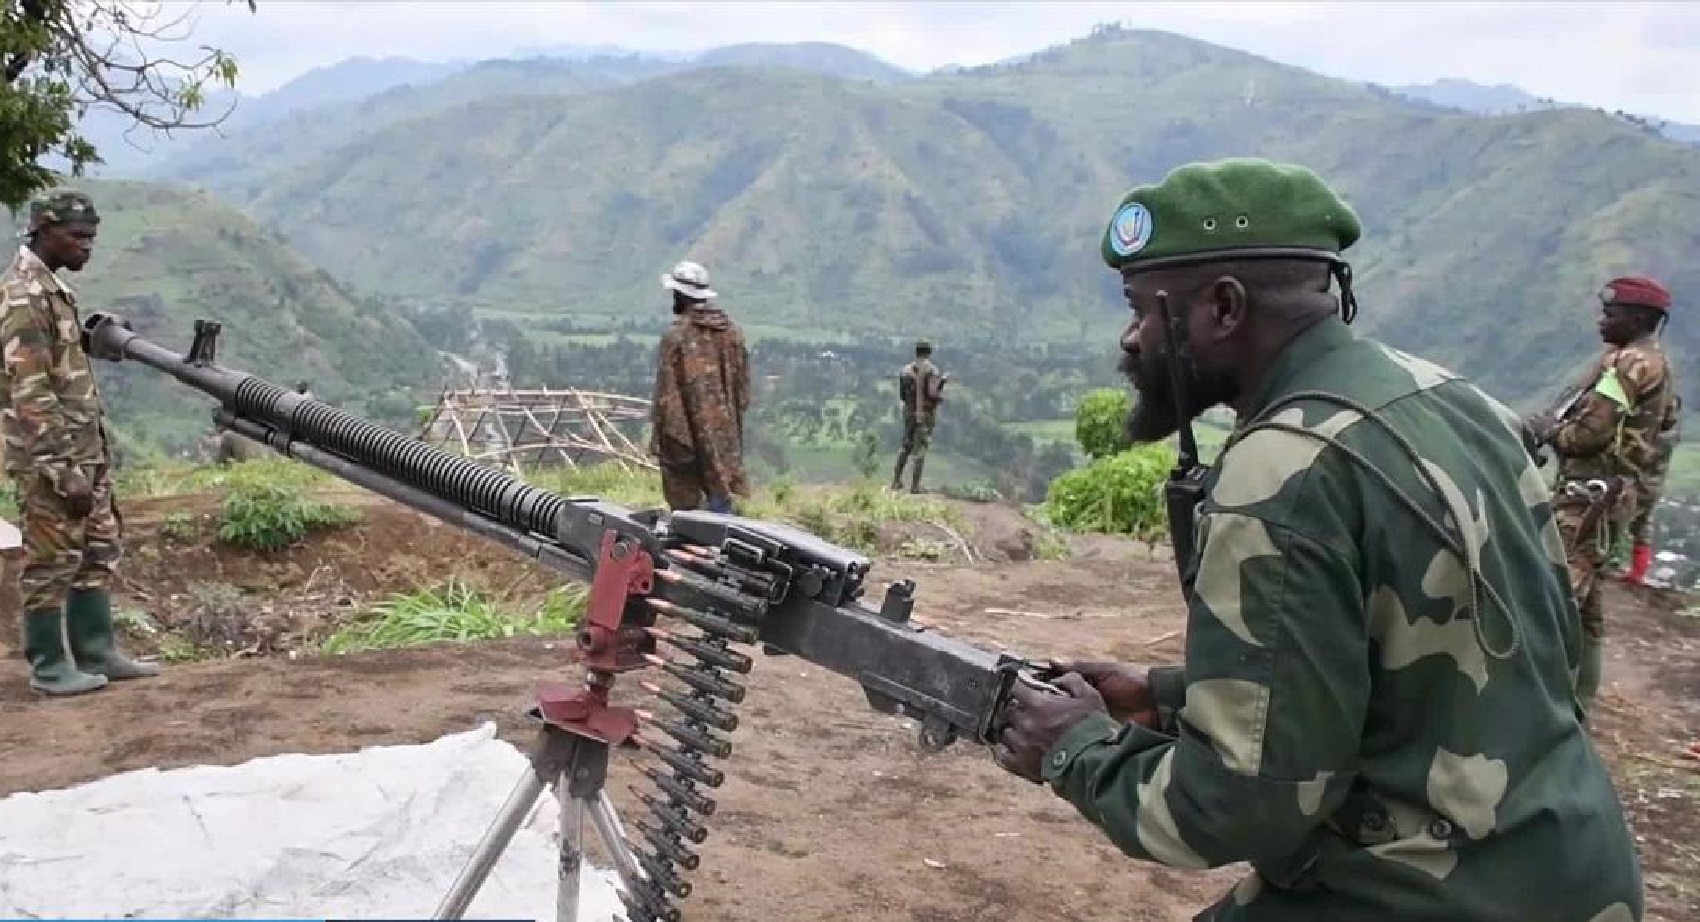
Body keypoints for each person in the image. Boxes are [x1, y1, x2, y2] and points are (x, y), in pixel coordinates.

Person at [993, 158, 1643, 921]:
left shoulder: (1282, 470)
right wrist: (1167, 698)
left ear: (1224, 308)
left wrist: (1074, 748)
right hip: (1576, 868)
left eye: (1142, 310)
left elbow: (1234, 808)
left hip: (1433, 894)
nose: (1132, 339)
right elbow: (1518, 662)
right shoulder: (1454, 399)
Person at [0, 189, 159, 696]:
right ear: (44, 232)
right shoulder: (24, 297)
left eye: (91, 237)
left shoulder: (53, 291)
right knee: (51, 560)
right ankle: (49, 667)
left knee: (97, 549)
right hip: (51, 458)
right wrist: (62, 469)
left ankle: (96, 651)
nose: (87, 246)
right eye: (77, 237)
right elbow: (30, 391)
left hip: (84, 449)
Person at [1524, 276, 1675, 715]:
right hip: (1611, 499)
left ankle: (1541, 709)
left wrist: (1551, 431)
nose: (1601, 321)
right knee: (1587, 611)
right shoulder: (1650, 362)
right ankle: (1579, 704)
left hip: (1589, 501)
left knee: (1553, 600)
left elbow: (1589, 435)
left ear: (1639, 318)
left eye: (1611, 314)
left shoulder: (1629, 365)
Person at [648, 260, 750, 514]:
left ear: (682, 295)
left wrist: (665, 438)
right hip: (723, 436)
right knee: (720, 495)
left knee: (688, 513)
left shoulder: (676, 337)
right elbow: (742, 391)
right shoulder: (733, 334)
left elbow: (666, 396)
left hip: (685, 438)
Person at [890, 339, 947, 493]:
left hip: (909, 412)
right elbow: (932, 393)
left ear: (916, 352)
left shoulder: (905, 370)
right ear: (929, 353)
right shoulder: (931, 370)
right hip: (925, 414)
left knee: (905, 446)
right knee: (920, 448)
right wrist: (942, 386)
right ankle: (915, 486)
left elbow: (902, 395)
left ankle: (896, 481)